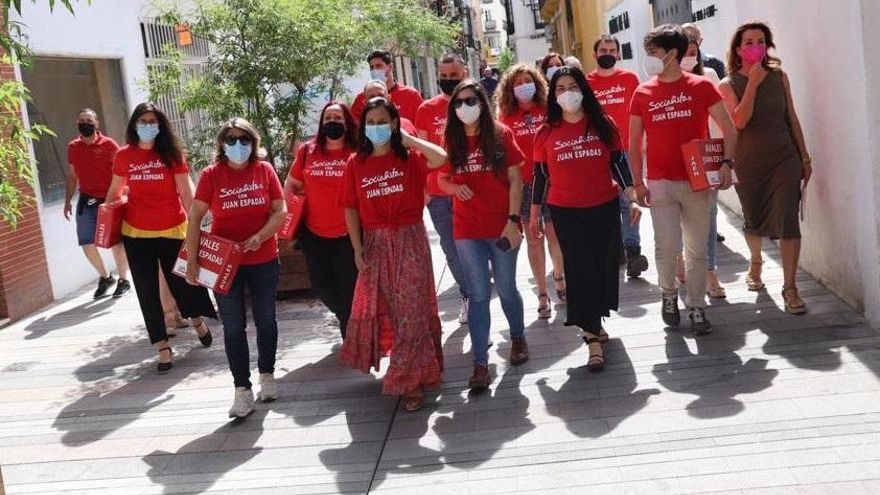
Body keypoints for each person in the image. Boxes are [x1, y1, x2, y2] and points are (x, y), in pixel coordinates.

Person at [339, 97, 449, 412]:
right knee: (395, 310)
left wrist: (410, 138)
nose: (377, 128)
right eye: (370, 122)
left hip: (410, 239)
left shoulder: (411, 158)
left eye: (383, 122)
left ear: (394, 124)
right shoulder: (355, 163)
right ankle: (415, 371)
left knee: (412, 308)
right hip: (375, 244)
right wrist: (357, 248)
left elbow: (440, 158)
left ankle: (409, 380)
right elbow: (350, 208)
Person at [628, 25, 737, 335]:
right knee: (666, 246)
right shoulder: (642, 92)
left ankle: (698, 306)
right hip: (660, 181)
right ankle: (668, 295)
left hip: (697, 181)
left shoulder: (702, 86)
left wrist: (727, 164)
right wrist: (638, 182)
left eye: (653, 53)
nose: (648, 60)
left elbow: (729, 129)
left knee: (697, 248)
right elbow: (634, 142)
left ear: (672, 54)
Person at [532, 66, 638, 370]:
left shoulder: (604, 124)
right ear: (553, 95)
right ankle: (591, 336)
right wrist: (535, 211)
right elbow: (541, 174)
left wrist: (631, 196)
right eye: (560, 88)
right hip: (566, 211)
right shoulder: (546, 131)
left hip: (604, 206)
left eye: (572, 86)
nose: (567, 93)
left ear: (583, 89)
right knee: (580, 270)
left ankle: (596, 319)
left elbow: (618, 162)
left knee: (606, 266)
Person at [186, 118, 286, 419]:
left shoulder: (264, 171)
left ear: (253, 142)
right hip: (225, 263)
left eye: (244, 138)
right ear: (221, 143)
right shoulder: (211, 175)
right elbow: (195, 218)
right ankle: (241, 390)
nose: (237, 144)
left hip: (263, 258)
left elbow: (280, 211)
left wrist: (260, 236)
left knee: (266, 320)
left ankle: (266, 374)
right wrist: (192, 262)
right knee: (232, 327)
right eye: (230, 139)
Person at [105, 102, 216, 373]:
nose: (147, 126)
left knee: (184, 284)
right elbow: (114, 192)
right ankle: (162, 346)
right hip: (136, 234)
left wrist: (197, 228)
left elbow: (187, 195)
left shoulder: (172, 154)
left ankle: (196, 319)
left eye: (152, 121)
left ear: (160, 125)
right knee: (146, 291)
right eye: (142, 121)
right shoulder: (123, 155)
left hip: (172, 230)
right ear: (134, 125)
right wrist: (107, 217)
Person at [438, 80, 527, 389]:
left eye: (471, 100)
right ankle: (480, 363)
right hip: (467, 230)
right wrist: (453, 187)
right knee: (477, 294)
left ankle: (517, 338)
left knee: (505, 288)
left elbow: (516, 181)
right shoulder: (450, 140)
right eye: (459, 102)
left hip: (502, 225)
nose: (465, 107)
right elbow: (439, 180)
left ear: (482, 103)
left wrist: (514, 220)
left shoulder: (502, 134)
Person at [719, 21, 811, 314]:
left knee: (787, 219)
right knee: (754, 218)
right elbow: (739, 121)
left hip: (784, 157)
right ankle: (756, 262)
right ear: (738, 48)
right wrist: (754, 84)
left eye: (760, 41)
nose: (755, 46)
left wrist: (805, 157)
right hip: (750, 162)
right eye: (748, 42)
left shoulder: (780, 76)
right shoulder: (727, 83)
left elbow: (792, 118)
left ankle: (790, 287)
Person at [495, 63, 565, 318]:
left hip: (551, 181)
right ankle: (542, 293)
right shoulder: (504, 117)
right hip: (523, 186)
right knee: (534, 239)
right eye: (517, 83)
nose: (523, 86)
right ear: (510, 90)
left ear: (536, 83)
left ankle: (559, 276)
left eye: (527, 81)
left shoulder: (549, 110)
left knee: (555, 235)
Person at [284, 101, 359, 336]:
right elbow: (292, 183)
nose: (332, 122)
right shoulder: (308, 150)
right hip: (314, 234)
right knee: (322, 287)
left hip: (349, 234)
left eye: (337, 118)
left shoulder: (357, 151)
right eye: (328, 119)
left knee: (348, 289)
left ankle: (351, 338)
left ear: (347, 123)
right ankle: (347, 318)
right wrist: (290, 210)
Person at [586, 35, 650, 278]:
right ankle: (614, 250)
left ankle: (633, 250)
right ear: (595, 54)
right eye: (603, 49)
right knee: (605, 203)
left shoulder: (630, 79)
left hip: (626, 150)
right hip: (597, 153)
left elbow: (641, 113)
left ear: (618, 54)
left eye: (612, 50)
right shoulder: (586, 83)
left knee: (628, 201)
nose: (608, 53)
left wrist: (644, 143)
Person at [415, 53, 471, 323]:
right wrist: (423, 189)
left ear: (465, 73)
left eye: (454, 75)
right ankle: (469, 294)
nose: (448, 80)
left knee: (474, 247)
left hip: (472, 190)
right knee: (451, 248)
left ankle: (477, 288)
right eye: (444, 76)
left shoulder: (475, 104)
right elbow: (423, 154)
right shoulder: (426, 109)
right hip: (438, 194)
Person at [677, 33, 727, 299]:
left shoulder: (708, 76)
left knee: (709, 214)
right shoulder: (664, 80)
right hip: (675, 158)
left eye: (693, 51)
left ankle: (710, 272)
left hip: (705, 155)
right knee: (678, 216)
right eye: (684, 52)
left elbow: (721, 119)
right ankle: (681, 260)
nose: (689, 57)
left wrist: (724, 157)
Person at [64, 108, 131, 299]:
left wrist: (116, 198)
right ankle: (105, 277)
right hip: (86, 201)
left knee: (115, 243)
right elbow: (72, 175)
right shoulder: (73, 147)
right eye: (82, 120)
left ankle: (123, 280)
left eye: (89, 120)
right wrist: (67, 201)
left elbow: (122, 173)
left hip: (109, 201)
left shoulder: (110, 145)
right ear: (77, 123)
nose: (85, 123)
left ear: (96, 123)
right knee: (87, 243)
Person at [350, 50, 423, 122]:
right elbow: (354, 128)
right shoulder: (361, 99)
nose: (374, 70)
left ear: (390, 67)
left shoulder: (411, 95)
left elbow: (421, 126)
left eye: (379, 66)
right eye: (371, 67)